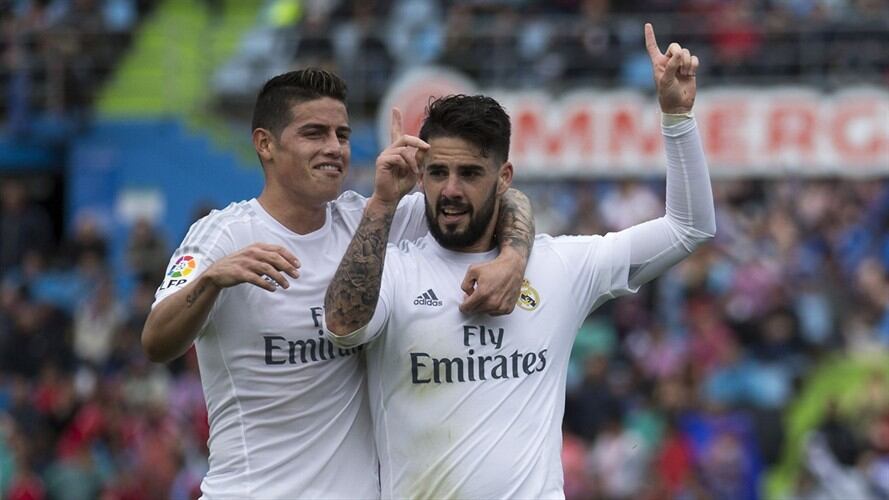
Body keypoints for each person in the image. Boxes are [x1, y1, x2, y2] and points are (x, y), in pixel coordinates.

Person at [324, 23, 715, 499]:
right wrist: (382, 205)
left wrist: (677, 117)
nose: (450, 189)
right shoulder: (395, 270)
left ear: (504, 176)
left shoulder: (561, 267)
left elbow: (688, 228)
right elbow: (342, 325)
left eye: (469, 173)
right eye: (437, 172)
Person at [140, 69, 534, 499]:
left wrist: (513, 257)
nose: (334, 148)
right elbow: (156, 342)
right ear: (265, 144)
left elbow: (499, 194)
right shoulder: (222, 236)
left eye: (342, 135)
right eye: (315, 133)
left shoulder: (375, 221)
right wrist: (212, 281)